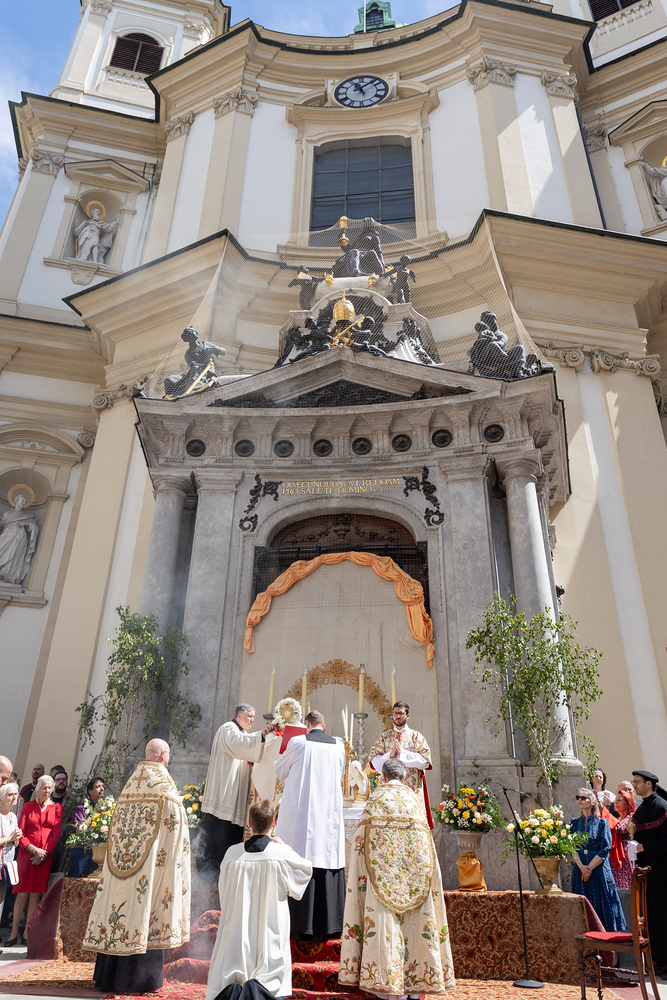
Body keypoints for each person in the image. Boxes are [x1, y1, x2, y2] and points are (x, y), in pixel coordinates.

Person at [339, 758, 455, 997]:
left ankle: (388, 988)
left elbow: (360, 842)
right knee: (415, 928)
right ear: (404, 778)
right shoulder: (414, 800)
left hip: (382, 879)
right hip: (415, 879)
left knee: (386, 929)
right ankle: (415, 989)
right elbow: (426, 844)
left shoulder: (376, 799)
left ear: (383, 777)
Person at [82, 739, 190, 993]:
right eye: (169, 754)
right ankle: (139, 979)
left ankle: (109, 977)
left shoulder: (129, 788)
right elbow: (176, 834)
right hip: (149, 871)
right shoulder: (165, 790)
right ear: (163, 755)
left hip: (120, 871)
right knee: (145, 907)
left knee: (120, 909)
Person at [205, 799, 312, 1000]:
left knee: (234, 961)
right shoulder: (281, 854)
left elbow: (224, 891)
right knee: (269, 962)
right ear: (273, 823)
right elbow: (305, 872)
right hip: (269, 927)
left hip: (238, 927)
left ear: (249, 823)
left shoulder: (232, 853)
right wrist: (285, 847)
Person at [273, 709, 345, 939]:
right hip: (328, 814)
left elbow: (280, 770)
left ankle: (299, 924)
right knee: (327, 855)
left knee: (300, 853)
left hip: (302, 813)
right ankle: (329, 924)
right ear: (324, 726)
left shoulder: (298, 742)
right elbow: (340, 773)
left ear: (307, 724)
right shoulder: (338, 745)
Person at [201, 705, 273, 872]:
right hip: (224, 792)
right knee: (220, 834)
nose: (252, 719)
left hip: (235, 793)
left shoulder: (244, 735)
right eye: (249, 716)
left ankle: (225, 872)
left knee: (230, 835)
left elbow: (250, 749)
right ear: (239, 715)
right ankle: (209, 875)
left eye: (253, 717)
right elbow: (239, 745)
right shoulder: (228, 728)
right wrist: (261, 735)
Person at [6, 774, 62, 947]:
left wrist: (43, 853)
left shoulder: (57, 808)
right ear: (37, 789)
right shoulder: (28, 806)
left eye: (49, 788)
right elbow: (20, 831)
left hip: (44, 857)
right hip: (26, 855)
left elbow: (56, 834)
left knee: (35, 895)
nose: (47, 791)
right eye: (44, 787)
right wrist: (33, 849)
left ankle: (27, 933)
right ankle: (13, 933)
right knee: (21, 894)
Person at [569, 788, 625, 932]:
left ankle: (605, 940)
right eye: (578, 797)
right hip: (580, 870)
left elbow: (605, 849)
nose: (580, 800)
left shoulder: (601, 823)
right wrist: (582, 868)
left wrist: (589, 869)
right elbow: (571, 847)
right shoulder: (574, 824)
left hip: (598, 870)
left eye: (584, 798)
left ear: (593, 802)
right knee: (583, 907)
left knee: (602, 904)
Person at [369, 702, 433, 826]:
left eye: (401, 713)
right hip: (388, 792)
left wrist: (402, 755)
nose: (397, 716)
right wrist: (390, 755)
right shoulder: (384, 737)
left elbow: (426, 761)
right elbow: (374, 762)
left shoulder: (416, 737)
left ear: (408, 715)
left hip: (411, 790)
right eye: (395, 713)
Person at [631, 769, 667, 976]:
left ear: (649, 784)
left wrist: (643, 848)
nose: (634, 785)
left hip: (662, 871)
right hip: (646, 872)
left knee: (663, 914)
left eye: (637, 782)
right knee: (651, 916)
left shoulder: (663, 807)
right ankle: (658, 960)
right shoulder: (641, 809)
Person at [67, 776, 105, 877]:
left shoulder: (107, 808)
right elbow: (79, 831)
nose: (101, 788)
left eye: (102, 786)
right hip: (81, 850)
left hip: (98, 851)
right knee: (75, 880)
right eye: (98, 786)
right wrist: (94, 813)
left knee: (93, 881)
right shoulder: (81, 808)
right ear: (90, 792)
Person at [0, 492, 40, 586]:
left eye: (25, 502)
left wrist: (27, 524)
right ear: (16, 501)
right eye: (22, 501)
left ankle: (8, 578)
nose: (24, 503)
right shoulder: (7, 513)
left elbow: (35, 527)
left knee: (15, 557)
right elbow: (1, 523)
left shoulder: (28, 516)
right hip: (7, 537)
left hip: (20, 539)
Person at [0, 783, 21, 944]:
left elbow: (15, 843)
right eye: (10, 794)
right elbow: (7, 839)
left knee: (1, 902)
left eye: (16, 794)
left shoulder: (13, 817)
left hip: (6, 866)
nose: (14, 797)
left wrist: (16, 838)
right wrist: (9, 838)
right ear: (1, 799)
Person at [611, 789, 636, 892]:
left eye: (619, 800)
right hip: (616, 856)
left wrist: (603, 811)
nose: (615, 803)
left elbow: (619, 829)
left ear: (628, 803)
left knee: (626, 890)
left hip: (626, 857)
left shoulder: (631, 817)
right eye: (615, 800)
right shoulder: (618, 818)